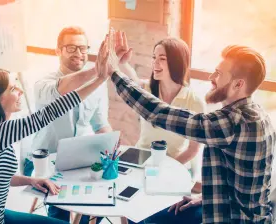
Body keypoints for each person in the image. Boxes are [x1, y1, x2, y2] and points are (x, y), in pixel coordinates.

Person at [99, 31, 275, 223]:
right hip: (236, 211)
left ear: (238, 84)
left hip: (231, 219)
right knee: (150, 212)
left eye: (219, 73)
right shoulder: (257, 114)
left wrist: (113, 72)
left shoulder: (234, 123)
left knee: (145, 218)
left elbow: (157, 113)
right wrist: (206, 198)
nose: (211, 77)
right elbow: (248, 186)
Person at [0, 49, 110, 224]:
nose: (20, 91)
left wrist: (31, 180)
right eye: (13, 88)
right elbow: (49, 113)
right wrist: (100, 79)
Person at [29, 26, 111, 223]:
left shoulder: (98, 85)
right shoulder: (44, 84)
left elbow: (100, 124)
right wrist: (98, 72)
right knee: (60, 214)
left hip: (81, 160)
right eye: (71, 48)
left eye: (83, 49)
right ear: (58, 51)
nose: (79, 54)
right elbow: (64, 89)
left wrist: (113, 147)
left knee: (102, 201)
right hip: (48, 161)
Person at [118, 36, 205, 186]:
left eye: (162, 58)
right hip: (141, 159)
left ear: (176, 62)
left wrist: (165, 169)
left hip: (173, 164)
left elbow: (192, 149)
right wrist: (123, 62)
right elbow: (133, 83)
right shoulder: (147, 90)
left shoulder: (195, 102)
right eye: (154, 57)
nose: (155, 63)